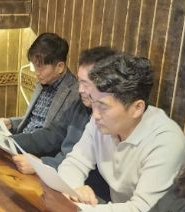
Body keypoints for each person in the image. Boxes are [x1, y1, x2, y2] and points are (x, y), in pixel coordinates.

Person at [42, 53, 185, 212]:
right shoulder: (102, 122)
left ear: (137, 108)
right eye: (93, 103)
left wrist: (75, 211)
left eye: (103, 106)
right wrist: (74, 190)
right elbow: (74, 162)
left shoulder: (166, 142)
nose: (95, 115)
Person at [11, 46, 115, 176]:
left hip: (75, 178)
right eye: (80, 82)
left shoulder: (107, 119)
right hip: (64, 173)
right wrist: (10, 142)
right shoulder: (79, 105)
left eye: (86, 84)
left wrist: (42, 165)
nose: (80, 90)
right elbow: (52, 135)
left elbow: (86, 166)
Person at [0, 33, 78, 135]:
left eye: (41, 68)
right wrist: (10, 123)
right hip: (23, 138)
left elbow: (61, 136)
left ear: (60, 67)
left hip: (40, 144)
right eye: (35, 67)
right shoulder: (42, 83)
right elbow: (33, 120)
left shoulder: (74, 94)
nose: (36, 73)